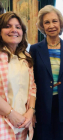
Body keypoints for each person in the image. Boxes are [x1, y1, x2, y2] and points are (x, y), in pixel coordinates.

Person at [29, 5, 63, 140]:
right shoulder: (34, 49)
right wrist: (31, 109)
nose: (51, 25)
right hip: (42, 105)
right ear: (42, 26)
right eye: (47, 22)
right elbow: (31, 81)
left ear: (60, 23)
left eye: (54, 21)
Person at [0, 12, 36, 140]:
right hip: (3, 122)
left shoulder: (26, 57)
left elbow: (32, 87)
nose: (13, 30)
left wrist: (30, 111)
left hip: (23, 122)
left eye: (18, 27)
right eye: (8, 26)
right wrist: (11, 114)